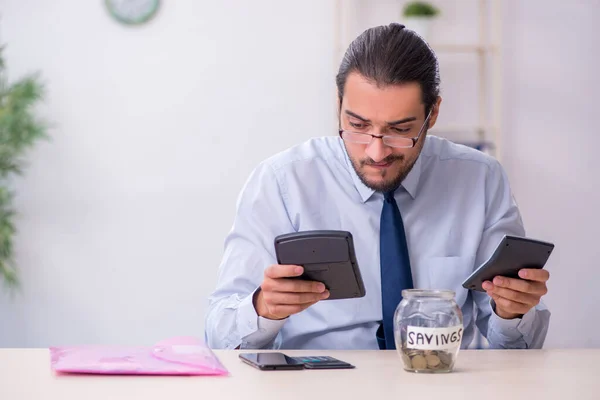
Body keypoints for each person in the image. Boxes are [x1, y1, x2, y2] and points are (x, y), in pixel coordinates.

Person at [204, 23, 550, 350]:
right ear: (338, 105)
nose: (376, 151)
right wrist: (264, 307)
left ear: (433, 114)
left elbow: (519, 348)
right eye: (357, 125)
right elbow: (219, 336)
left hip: (441, 379)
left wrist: (512, 311)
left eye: (400, 130)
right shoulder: (282, 182)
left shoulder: (480, 180)